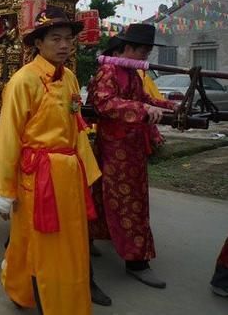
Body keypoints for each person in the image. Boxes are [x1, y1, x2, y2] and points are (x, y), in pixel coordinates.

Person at [0, 5, 103, 314]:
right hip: (37, 177)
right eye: (55, 38)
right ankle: (51, 304)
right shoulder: (23, 81)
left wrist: (89, 175)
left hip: (68, 173)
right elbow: (8, 135)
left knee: (66, 243)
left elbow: (77, 128)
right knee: (44, 244)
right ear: (38, 43)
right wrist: (4, 189)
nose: (64, 45)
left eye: (68, 39)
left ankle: (24, 290)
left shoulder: (68, 78)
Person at [88, 23, 177, 289]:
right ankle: (137, 261)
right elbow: (103, 103)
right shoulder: (109, 71)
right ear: (127, 48)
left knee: (105, 196)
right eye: (143, 51)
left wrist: (171, 105)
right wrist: (141, 108)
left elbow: (144, 98)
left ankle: (88, 238)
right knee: (129, 202)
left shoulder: (132, 73)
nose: (145, 57)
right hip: (115, 149)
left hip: (132, 148)